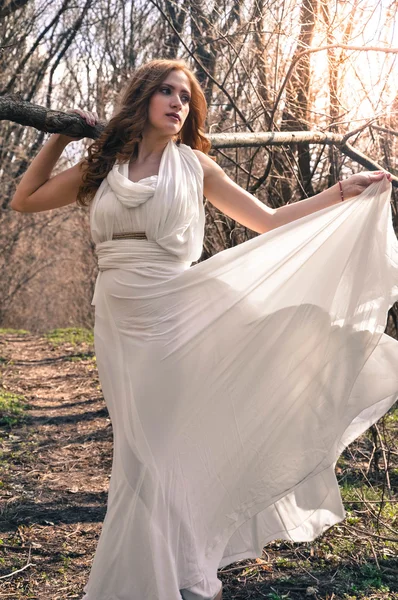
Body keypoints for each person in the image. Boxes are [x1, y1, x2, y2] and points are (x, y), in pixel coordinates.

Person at [11, 59, 398, 600]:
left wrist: (339, 193)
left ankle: (171, 577)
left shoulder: (195, 167)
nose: (177, 103)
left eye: (186, 97)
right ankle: (171, 572)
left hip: (177, 313)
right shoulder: (105, 166)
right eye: (166, 92)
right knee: (138, 452)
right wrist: (58, 135)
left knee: (158, 449)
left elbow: (267, 220)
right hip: (119, 323)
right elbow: (24, 200)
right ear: (142, 98)